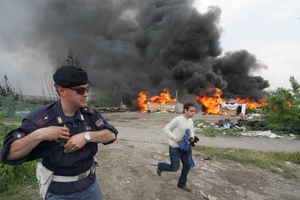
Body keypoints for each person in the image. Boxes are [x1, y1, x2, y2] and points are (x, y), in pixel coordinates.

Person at [0, 65, 118, 200]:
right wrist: (39, 134)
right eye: (80, 90)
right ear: (62, 91)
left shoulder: (89, 114)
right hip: (60, 192)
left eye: (87, 89)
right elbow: (10, 154)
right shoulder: (41, 118)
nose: (86, 94)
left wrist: (87, 136)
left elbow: (111, 134)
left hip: (90, 186)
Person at [157, 102, 196, 192]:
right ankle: (161, 166)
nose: (193, 113)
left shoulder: (190, 121)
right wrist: (175, 138)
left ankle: (181, 184)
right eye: (191, 111)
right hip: (175, 147)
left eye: (194, 111)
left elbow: (191, 131)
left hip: (186, 147)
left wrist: (192, 138)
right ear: (185, 110)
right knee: (174, 168)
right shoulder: (177, 120)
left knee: (187, 165)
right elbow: (166, 129)